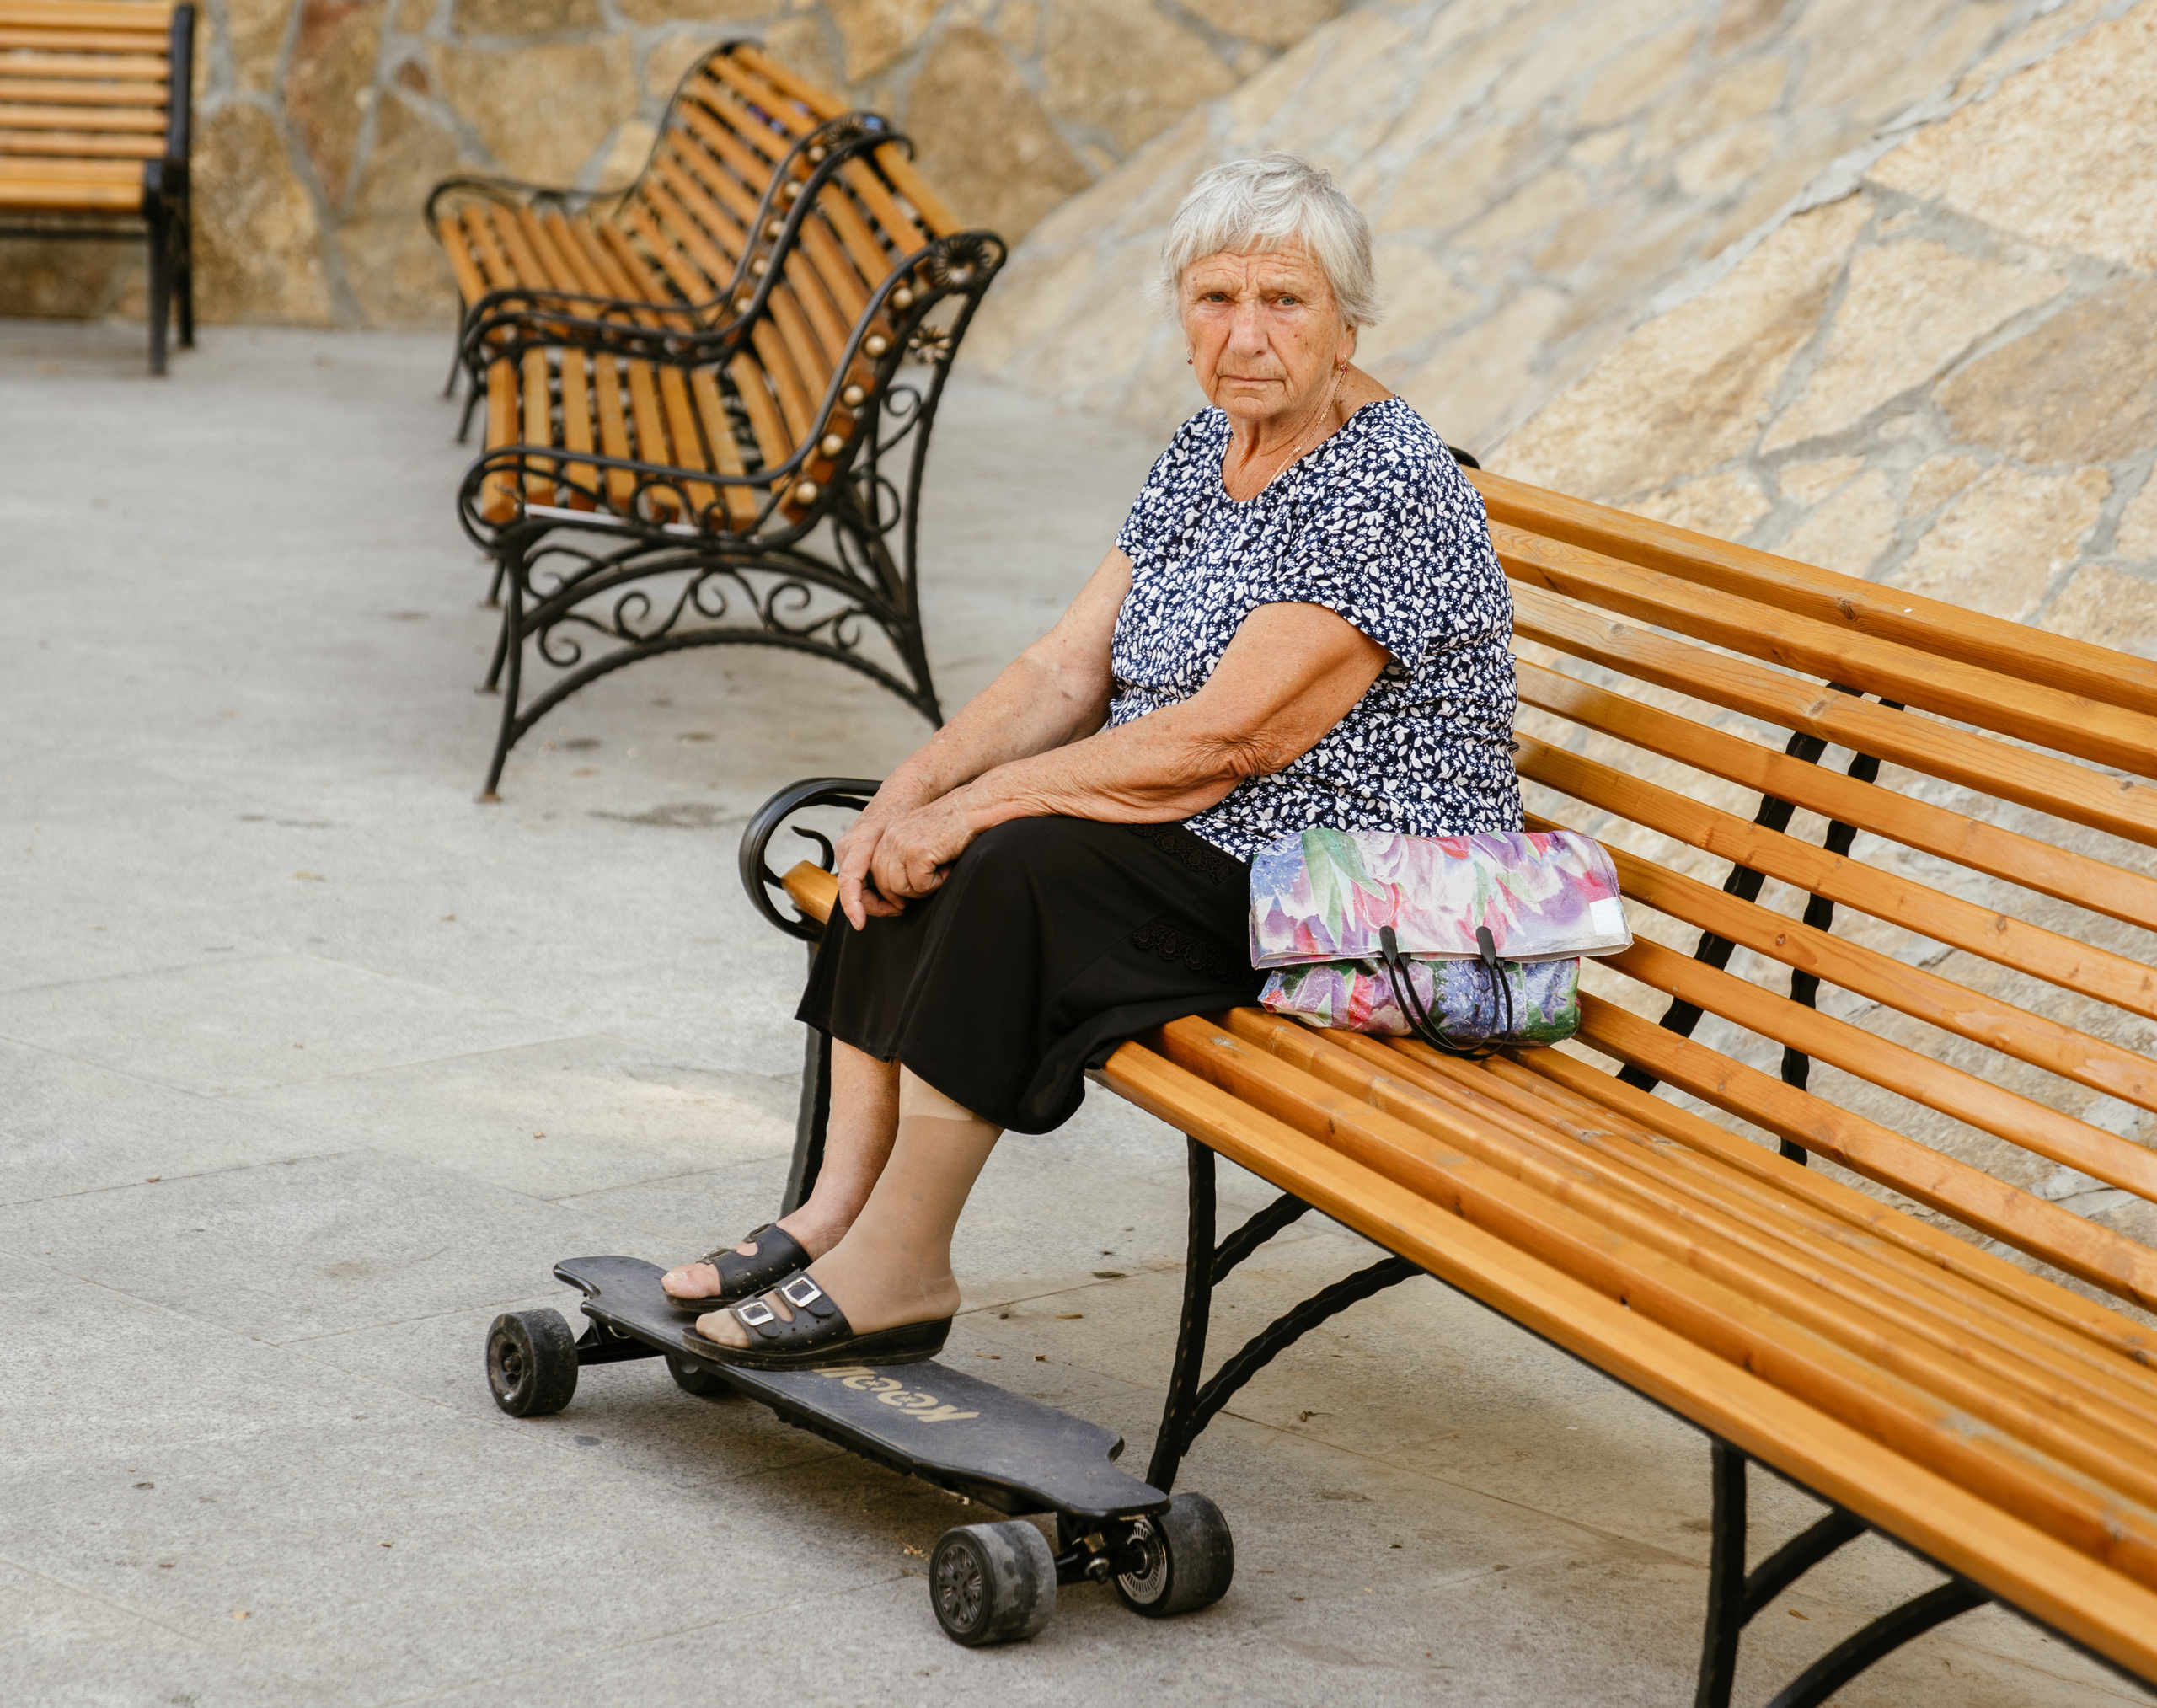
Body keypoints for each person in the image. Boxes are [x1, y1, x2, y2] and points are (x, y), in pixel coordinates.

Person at [666, 152, 1522, 1368]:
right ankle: (834, 1215)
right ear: (1182, 316)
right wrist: (912, 791)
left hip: (1355, 885)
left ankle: (902, 1264)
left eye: (1285, 300)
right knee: (917, 832)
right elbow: (1068, 670)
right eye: (1216, 300)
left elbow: (1232, 740)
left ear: (1347, 320)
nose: (1247, 333)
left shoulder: (1382, 483)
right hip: (1224, 838)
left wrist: (975, 813)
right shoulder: (1207, 449)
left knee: (1013, 865)